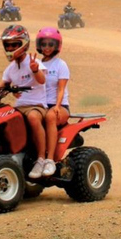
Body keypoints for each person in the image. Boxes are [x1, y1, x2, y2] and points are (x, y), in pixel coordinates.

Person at [0, 25, 48, 178]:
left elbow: (42, 80)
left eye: (14, 44)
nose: (10, 47)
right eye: (8, 45)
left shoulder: (35, 63)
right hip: (18, 107)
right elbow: (0, 87)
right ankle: (7, 156)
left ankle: (41, 159)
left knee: (33, 118)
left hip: (36, 105)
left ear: (24, 44)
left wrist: (35, 70)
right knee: (0, 120)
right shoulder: (10, 68)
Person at [37, 27, 70, 177]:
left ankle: (49, 160)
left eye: (51, 44)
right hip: (41, 104)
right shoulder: (36, 63)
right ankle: (35, 158)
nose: (47, 48)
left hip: (60, 105)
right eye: (44, 44)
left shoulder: (60, 65)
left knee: (50, 117)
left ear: (57, 46)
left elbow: (61, 89)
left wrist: (57, 106)